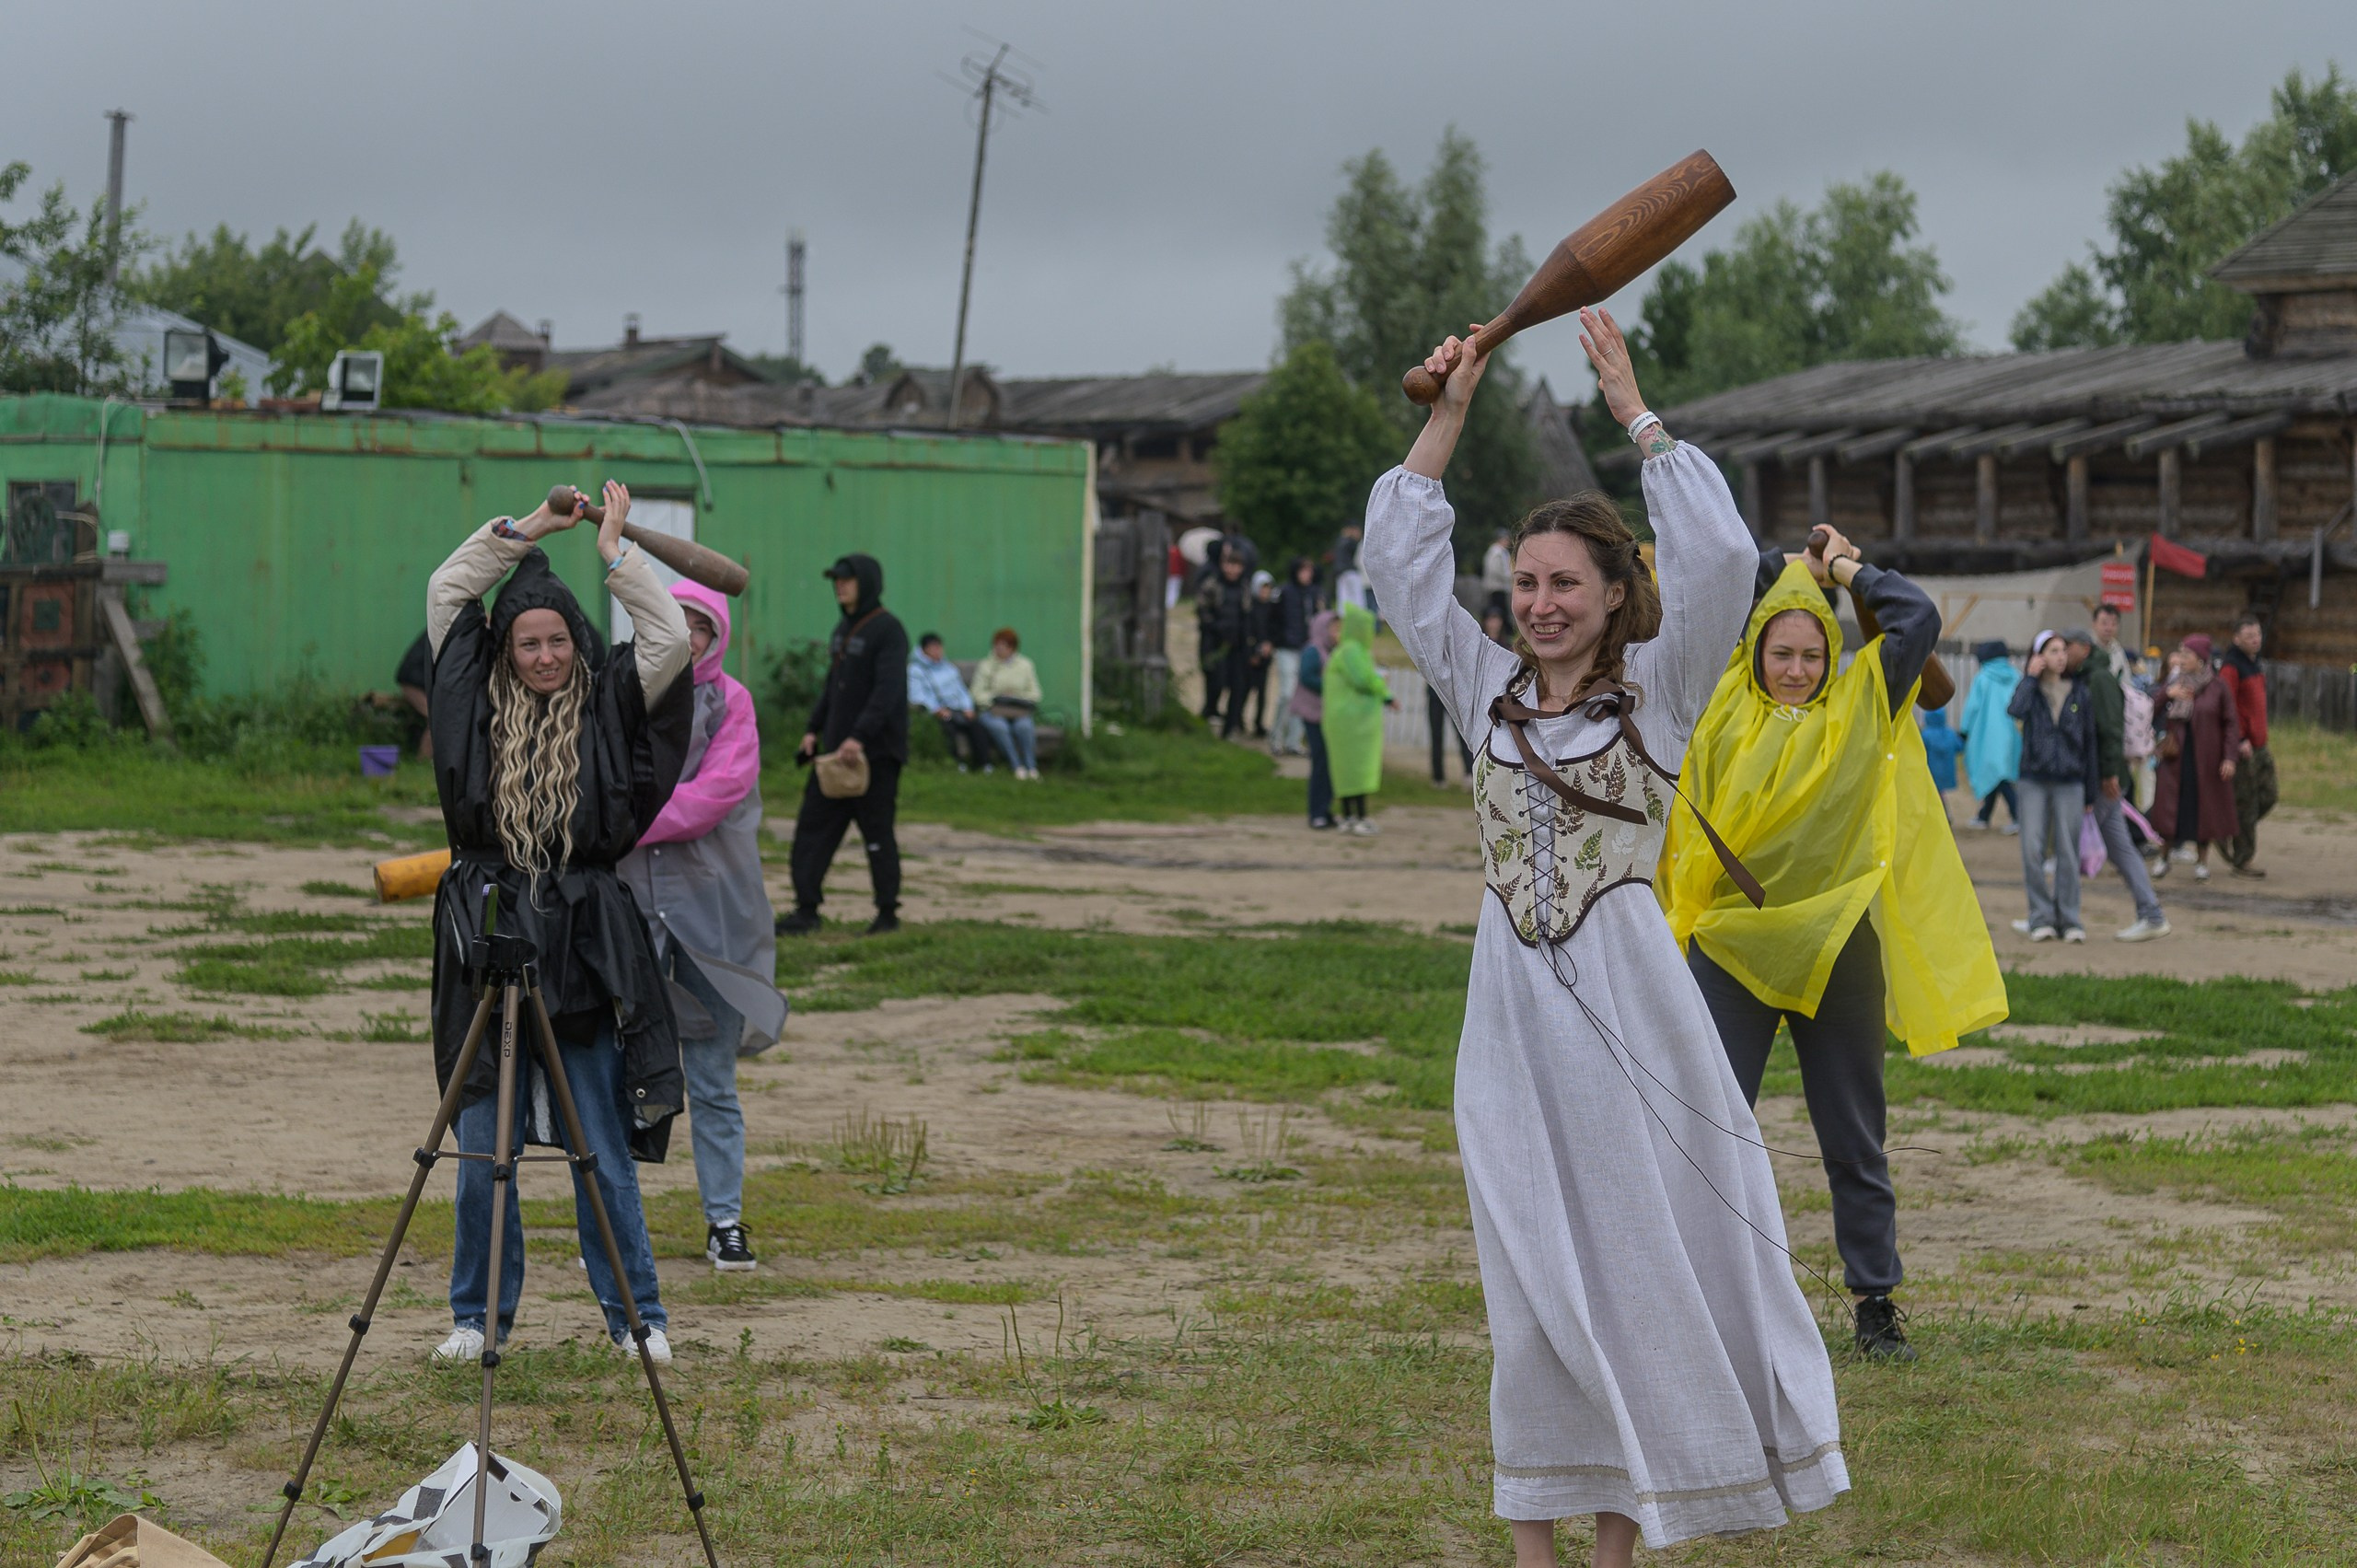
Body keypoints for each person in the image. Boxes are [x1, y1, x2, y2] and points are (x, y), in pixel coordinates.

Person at [1368, 310, 1849, 1566]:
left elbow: (1723, 551)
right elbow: (1400, 567)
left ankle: (1617, 1548)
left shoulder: (1669, 691)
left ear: (1611, 593)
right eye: (1524, 584)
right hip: (1511, 1022)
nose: (1537, 603)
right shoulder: (1481, 692)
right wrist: (1452, 410)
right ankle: (1537, 1548)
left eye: (1563, 583)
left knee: (1638, 1269)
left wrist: (1636, 411)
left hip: (1634, 1018)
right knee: (1526, 1282)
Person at [1670, 519, 2001, 1373]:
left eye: (1812, 655)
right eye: (1782, 652)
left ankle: (1875, 1301)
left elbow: (1917, 620)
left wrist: (1848, 569)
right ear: (1755, 653)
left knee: (1854, 1132)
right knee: (1708, 1123)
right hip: (1734, 949)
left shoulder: (1861, 704)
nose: (1797, 669)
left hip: (1839, 948)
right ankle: (1697, 1295)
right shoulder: (1717, 712)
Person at [422, 481, 691, 1367]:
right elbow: (449, 590)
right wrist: (531, 529)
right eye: (529, 642)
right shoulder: (473, 699)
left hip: (583, 946)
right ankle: (477, 1316)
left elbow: (668, 636)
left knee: (598, 1144)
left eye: (559, 641)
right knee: (480, 1143)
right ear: (507, 649)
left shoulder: (612, 703)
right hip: (491, 935)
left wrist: (614, 550)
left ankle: (637, 1316)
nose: (545, 655)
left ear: (578, 644)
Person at [618, 580, 789, 1274]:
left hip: (712, 913)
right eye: (674, 620)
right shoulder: (623, 693)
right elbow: (602, 772)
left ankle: (724, 1220)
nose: (687, 635)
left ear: (716, 636)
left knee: (713, 1077)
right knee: (619, 1075)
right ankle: (615, 1223)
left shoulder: (733, 702)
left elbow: (716, 792)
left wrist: (624, 821)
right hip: (628, 909)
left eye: (700, 625)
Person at [781, 554, 910, 936]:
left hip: (876, 755)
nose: (840, 585)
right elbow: (832, 688)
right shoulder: (843, 629)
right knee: (811, 830)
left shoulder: (889, 631)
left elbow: (888, 692)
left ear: (867, 582)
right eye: (836, 579)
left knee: (877, 834)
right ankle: (806, 910)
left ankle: (887, 914)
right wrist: (812, 729)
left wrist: (860, 736)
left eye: (847, 579)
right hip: (835, 755)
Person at [2061, 628, 2168, 941]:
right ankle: (2152, 914)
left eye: (2066, 647)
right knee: (2121, 849)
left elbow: (2110, 731)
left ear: (2082, 648)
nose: (2062, 653)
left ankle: (2056, 917)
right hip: (2106, 777)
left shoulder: (2099, 679)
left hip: (2105, 779)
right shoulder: (2088, 676)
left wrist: (2109, 775)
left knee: (2070, 846)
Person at [2007, 630, 2098, 941]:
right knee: (2032, 849)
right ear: (2039, 656)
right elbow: (2015, 710)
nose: (2061, 656)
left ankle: (2070, 920)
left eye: (2063, 650)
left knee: (2068, 852)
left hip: (2071, 782)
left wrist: (2091, 789)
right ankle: (2040, 917)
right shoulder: (2031, 691)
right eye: (2053, 650)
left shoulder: (2079, 692)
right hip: (2033, 779)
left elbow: (2090, 743)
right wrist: (2030, 679)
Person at [2150, 634, 2240, 882]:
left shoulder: (2218, 687)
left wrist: (2229, 757)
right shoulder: (2174, 683)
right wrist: (2168, 693)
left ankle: (2202, 861)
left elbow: (2231, 723)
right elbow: (2150, 709)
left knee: (2204, 810)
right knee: (2169, 810)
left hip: (2206, 759)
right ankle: (2163, 857)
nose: (2181, 659)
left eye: (2186, 654)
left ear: (2201, 659)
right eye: (2180, 653)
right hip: (2174, 757)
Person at [1322, 601, 1391, 834]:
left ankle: (1351, 816)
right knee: (1357, 770)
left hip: (1346, 723)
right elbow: (1365, 680)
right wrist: (1384, 690)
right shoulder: (1353, 651)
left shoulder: (1345, 650)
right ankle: (1358, 817)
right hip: (1353, 725)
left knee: (1347, 771)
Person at [2218, 612, 2278, 877]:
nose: (2255, 640)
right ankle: (2242, 859)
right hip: (2243, 746)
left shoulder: (2254, 663)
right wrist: (2239, 738)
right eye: (2249, 636)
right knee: (2247, 802)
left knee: (2269, 795)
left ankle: (2225, 827)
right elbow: (2227, 704)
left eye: (2258, 635)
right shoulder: (2232, 666)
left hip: (2260, 744)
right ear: (2236, 638)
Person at [1956, 639, 2022, 831]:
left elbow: (1972, 706)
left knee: (1999, 776)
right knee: (1997, 774)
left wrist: (1964, 731)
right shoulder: (2016, 676)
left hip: (1987, 736)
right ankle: (1984, 816)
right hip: (2012, 734)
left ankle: (2018, 816)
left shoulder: (1983, 678)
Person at [970, 627, 1044, 779]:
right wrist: (995, 698)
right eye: (996, 645)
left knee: (1024, 727)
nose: (998, 649)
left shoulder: (1025, 665)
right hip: (993, 711)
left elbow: (1036, 694)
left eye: (1003, 646)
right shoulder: (987, 665)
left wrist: (1017, 697)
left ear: (1012, 648)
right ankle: (1016, 765)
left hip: (1018, 711)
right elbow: (976, 693)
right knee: (1000, 727)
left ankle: (1031, 767)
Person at [1196, 552, 1256, 738]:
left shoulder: (1244, 588)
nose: (1232, 569)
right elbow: (1202, 611)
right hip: (1215, 642)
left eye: (1236, 565)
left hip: (1237, 644)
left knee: (1238, 686)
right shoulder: (1212, 584)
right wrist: (1217, 627)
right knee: (1216, 682)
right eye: (1230, 564)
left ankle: (1230, 727)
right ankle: (1208, 715)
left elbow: (1247, 616)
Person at [908, 632, 987, 770]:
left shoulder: (949, 667)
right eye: (934, 647)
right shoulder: (916, 670)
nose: (938, 651)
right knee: (949, 726)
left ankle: (984, 764)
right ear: (924, 649)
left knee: (977, 725)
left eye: (939, 647)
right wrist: (936, 709)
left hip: (958, 710)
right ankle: (957, 763)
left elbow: (961, 690)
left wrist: (968, 708)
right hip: (939, 711)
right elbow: (917, 696)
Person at [1293, 610, 1338, 830]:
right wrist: (1332, 686)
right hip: (1312, 714)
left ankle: (1325, 809)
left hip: (1325, 714)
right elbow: (1307, 676)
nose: (1337, 632)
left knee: (1329, 763)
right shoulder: (1313, 650)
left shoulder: (1332, 651)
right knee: (1320, 763)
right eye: (1333, 628)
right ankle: (1316, 812)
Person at [1269, 556, 1318, 756]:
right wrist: (1276, 639)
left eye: (1310, 571)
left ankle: (1294, 741)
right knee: (1287, 694)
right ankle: (1276, 738)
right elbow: (1272, 619)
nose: (1307, 575)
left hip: (1305, 649)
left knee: (1302, 697)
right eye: (1303, 570)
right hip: (1286, 649)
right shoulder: (1283, 592)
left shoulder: (1313, 594)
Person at [1245, 569, 1278, 738]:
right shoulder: (1251, 608)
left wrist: (1270, 645)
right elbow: (1248, 631)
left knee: (1263, 693)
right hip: (1251, 656)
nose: (1265, 592)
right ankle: (1239, 720)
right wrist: (1254, 651)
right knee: (1245, 689)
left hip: (1265, 656)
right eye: (1263, 588)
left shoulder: (1272, 608)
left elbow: (1274, 629)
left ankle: (1259, 724)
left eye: (1268, 589)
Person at [1919, 705, 1961, 807]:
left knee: (1933, 795)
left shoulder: (1925, 735)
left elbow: (1919, 751)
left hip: (1930, 770)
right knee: (1939, 793)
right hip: (1946, 771)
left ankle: (1944, 816)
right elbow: (1959, 747)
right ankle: (1944, 815)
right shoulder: (1950, 733)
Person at [2091, 601, 2132, 681]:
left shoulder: (2117, 649)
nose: (2109, 628)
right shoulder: (2087, 647)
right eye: (2104, 623)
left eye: (2113, 624)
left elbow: (2127, 680)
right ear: (2094, 624)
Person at [1480, 526, 1513, 616]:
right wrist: (1509, 577)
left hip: (1501, 587)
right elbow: (1495, 570)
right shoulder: (1496, 552)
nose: (1508, 541)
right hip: (1496, 587)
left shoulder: (1502, 552)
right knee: (1498, 610)